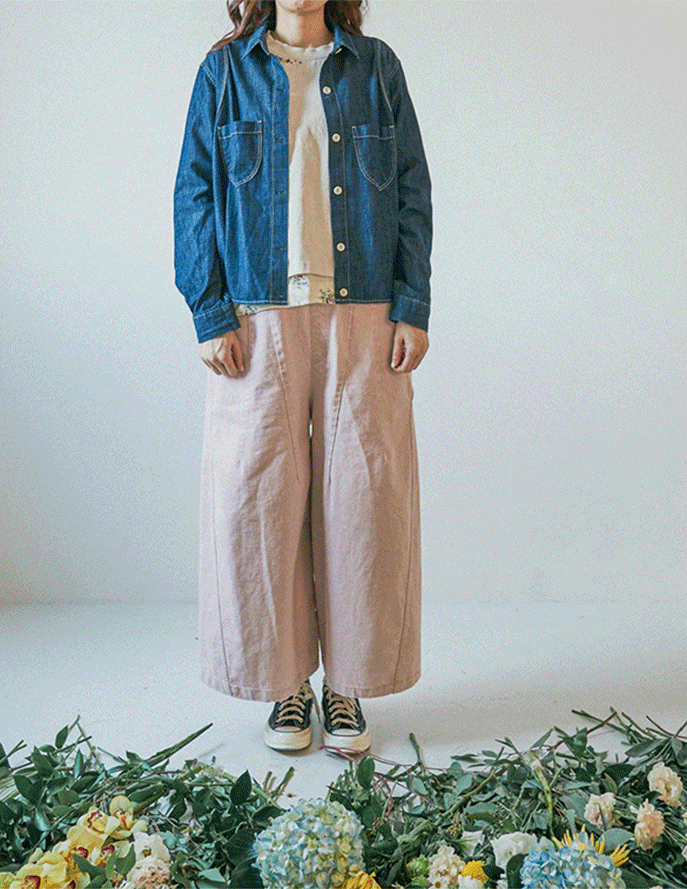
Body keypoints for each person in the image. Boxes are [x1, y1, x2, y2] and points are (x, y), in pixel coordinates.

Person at [173, 0, 432, 754]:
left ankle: (346, 684)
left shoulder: (376, 67)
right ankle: (286, 685)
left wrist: (412, 305)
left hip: (365, 311)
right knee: (259, 500)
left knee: (363, 501)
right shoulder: (223, 72)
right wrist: (208, 311)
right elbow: (194, 191)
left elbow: (411, 189)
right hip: (256, 315)